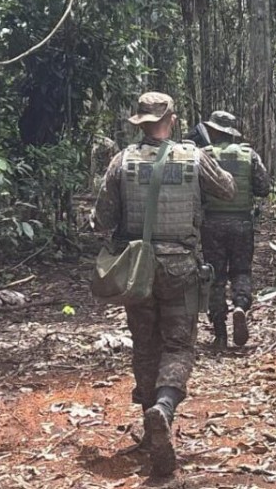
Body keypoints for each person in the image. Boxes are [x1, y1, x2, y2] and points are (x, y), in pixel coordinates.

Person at [92, 92, 236, 476]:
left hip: (138, 268)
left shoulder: (121, 162)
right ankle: (164, 409)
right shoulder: (193, 156)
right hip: (181, 265)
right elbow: (228, 189)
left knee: (145, 344)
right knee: (178, 344)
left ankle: (149, 423)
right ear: (171, 120)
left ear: (139, 122)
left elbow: (102, 218)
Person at [199, 111, 272, 348]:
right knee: (241, 271)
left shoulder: (204, 156)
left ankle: (220, 333)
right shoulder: (248, 154)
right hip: (242, 223)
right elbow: (263, 188)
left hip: (212, 223)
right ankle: (240, 305)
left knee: (215, 276)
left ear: (214, 131)